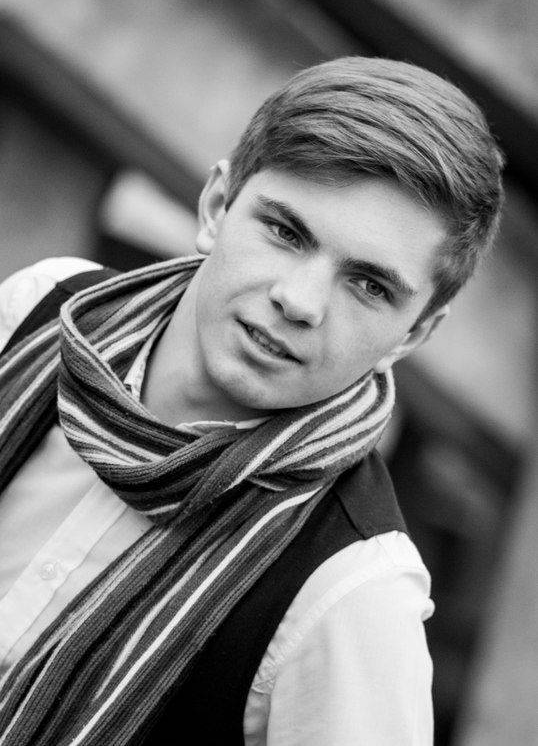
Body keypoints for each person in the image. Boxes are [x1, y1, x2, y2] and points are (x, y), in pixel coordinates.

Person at [0, 56, 503, 746]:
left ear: (412, 334)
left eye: (369, 285)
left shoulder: (353, 595)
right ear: (216, 207)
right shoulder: (35, 316)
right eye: (286, 233)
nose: (299, 301)